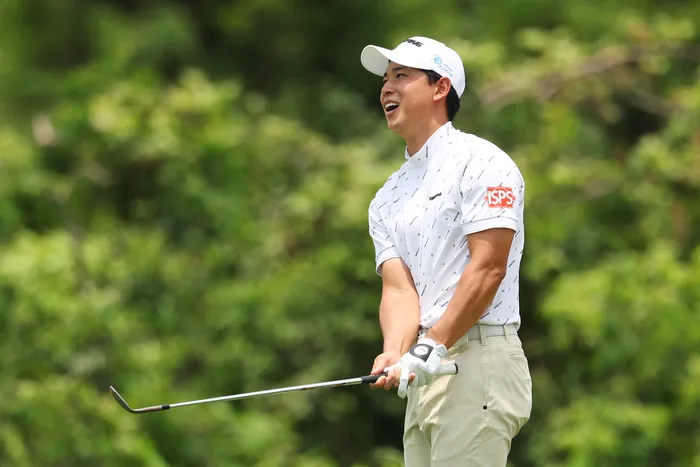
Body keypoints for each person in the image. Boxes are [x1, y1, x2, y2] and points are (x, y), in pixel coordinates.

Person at [361, 36, 533, 466]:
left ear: (441, 88)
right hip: (425, 370)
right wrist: (395, 349)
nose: (387, 88)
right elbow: (400, 290)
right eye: (385, 79)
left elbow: (488, 267)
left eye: (401, 75)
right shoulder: (386, 197)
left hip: (478, 361)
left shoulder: (484, 163)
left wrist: (433, 343)